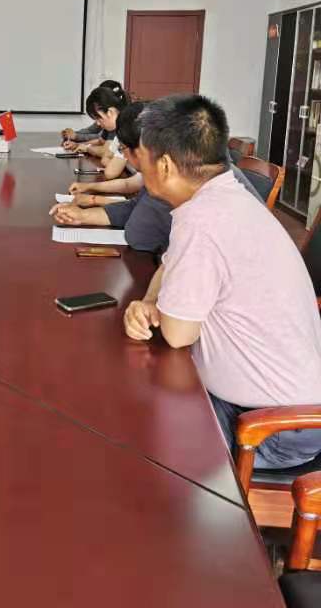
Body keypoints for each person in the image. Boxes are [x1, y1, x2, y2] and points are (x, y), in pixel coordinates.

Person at [123, 94, 321, 468]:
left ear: (164, 165)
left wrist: (157, 311)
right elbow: (170, 264)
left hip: (272, 429)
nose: (137, 166)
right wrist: (150, 301)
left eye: (141, 156)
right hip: (282, 406)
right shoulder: (225, 196)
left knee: (136, 433)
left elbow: (178, 334)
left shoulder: (202, 221)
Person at [51, 103, 172, 254]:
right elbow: (135, 206)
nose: (123, 156)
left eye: (122, 149)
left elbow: (138, 237)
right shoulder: (157, 175)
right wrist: (83, 216)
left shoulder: (165, 185)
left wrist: (93, 201)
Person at [68, 86, 130, 172]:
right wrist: (79, 145)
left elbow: (105, 153)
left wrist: (87, 148)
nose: (97, 123)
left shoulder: (127, 128)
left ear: (110, 112)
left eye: (98, 118)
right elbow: (104, 149)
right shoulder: (118, 125)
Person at [61, 79, 125, 144]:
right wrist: (73, 135)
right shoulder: (108, 118)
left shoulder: (123, 122)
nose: (98, 123)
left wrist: (76, 136)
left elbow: (102, 141)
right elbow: (96, 135)